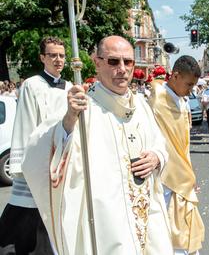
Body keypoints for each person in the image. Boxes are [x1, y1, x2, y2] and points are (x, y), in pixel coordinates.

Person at [21, 35, 173, 254]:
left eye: (128, 61)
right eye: (113, 61)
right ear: (97, 62)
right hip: (107, 220)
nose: (122, 68)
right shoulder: (84, 107)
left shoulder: (141, 104)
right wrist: (70, 119)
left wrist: (157, 157)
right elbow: (40, 152)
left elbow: (159, 142)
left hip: (147, 211)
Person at [0, 37, 70, 255]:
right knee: (30, 211)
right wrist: (27, 163)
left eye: (61, 55)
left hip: (62, 158)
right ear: (42, 58)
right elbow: (27, 124)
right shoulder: (32, 85)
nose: (58, 60)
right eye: (52, 55)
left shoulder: (69, 87)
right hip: (40, 158)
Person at [148, 55, 205, 254]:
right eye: (189, 84)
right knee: (166, 227)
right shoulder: (157, 101)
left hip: (181, 168)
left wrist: (188, 169)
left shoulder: (182, 99)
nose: (191, 90)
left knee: (182, 224)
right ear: (175, 76)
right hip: (165, 174)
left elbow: (182, 143)